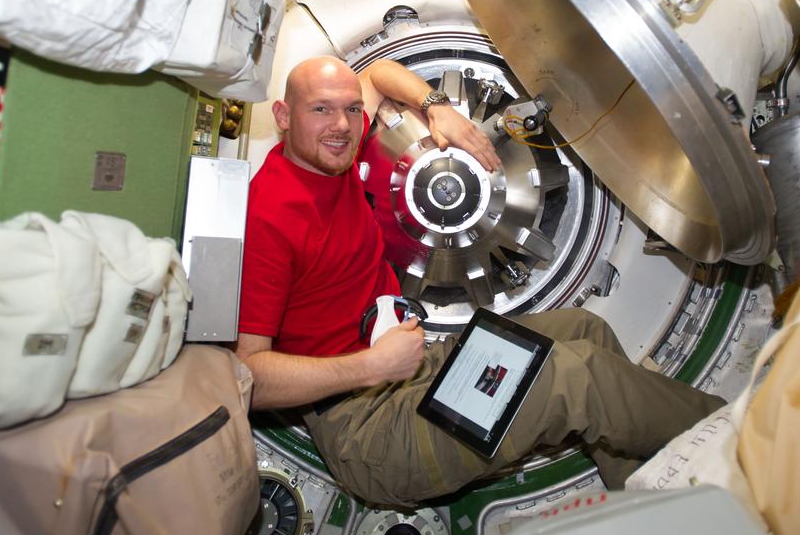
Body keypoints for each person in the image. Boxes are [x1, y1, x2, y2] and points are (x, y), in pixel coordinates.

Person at [233, 55, 723, 509]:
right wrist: (369, 367)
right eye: (321, 109)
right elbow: (248, 380)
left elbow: (380, 72)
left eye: (350, 110)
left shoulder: (331, 157)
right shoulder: (269, 217)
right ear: (282, 115)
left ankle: (658, 500)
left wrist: (438, 109)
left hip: (413, 374)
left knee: (582, 330)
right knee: (575, 378)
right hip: (371, 433)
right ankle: (741, 441)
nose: (340, 125)